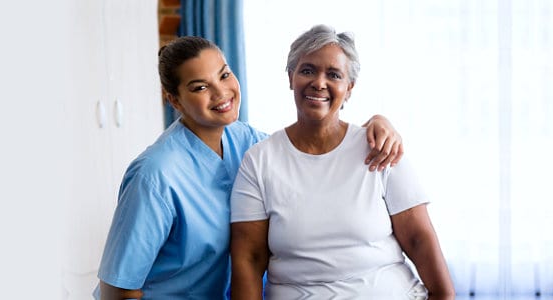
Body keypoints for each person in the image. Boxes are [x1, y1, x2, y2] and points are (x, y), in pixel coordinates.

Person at [95, 36, 405, 299]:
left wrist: (374, 127)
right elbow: (117, 288)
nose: (221, 93)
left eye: (224, 75)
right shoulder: (155, 176)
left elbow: (312, 152)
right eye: (200, 87)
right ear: (174, 99)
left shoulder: (245, 141)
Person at [229, 25, 453, 299]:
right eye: (307, 70)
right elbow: (249, 259)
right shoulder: (259, 160)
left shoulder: (381, 148)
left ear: (349, 89)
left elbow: (419, 239)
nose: (319, 82)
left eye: (333, 75)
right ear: (291, 78)